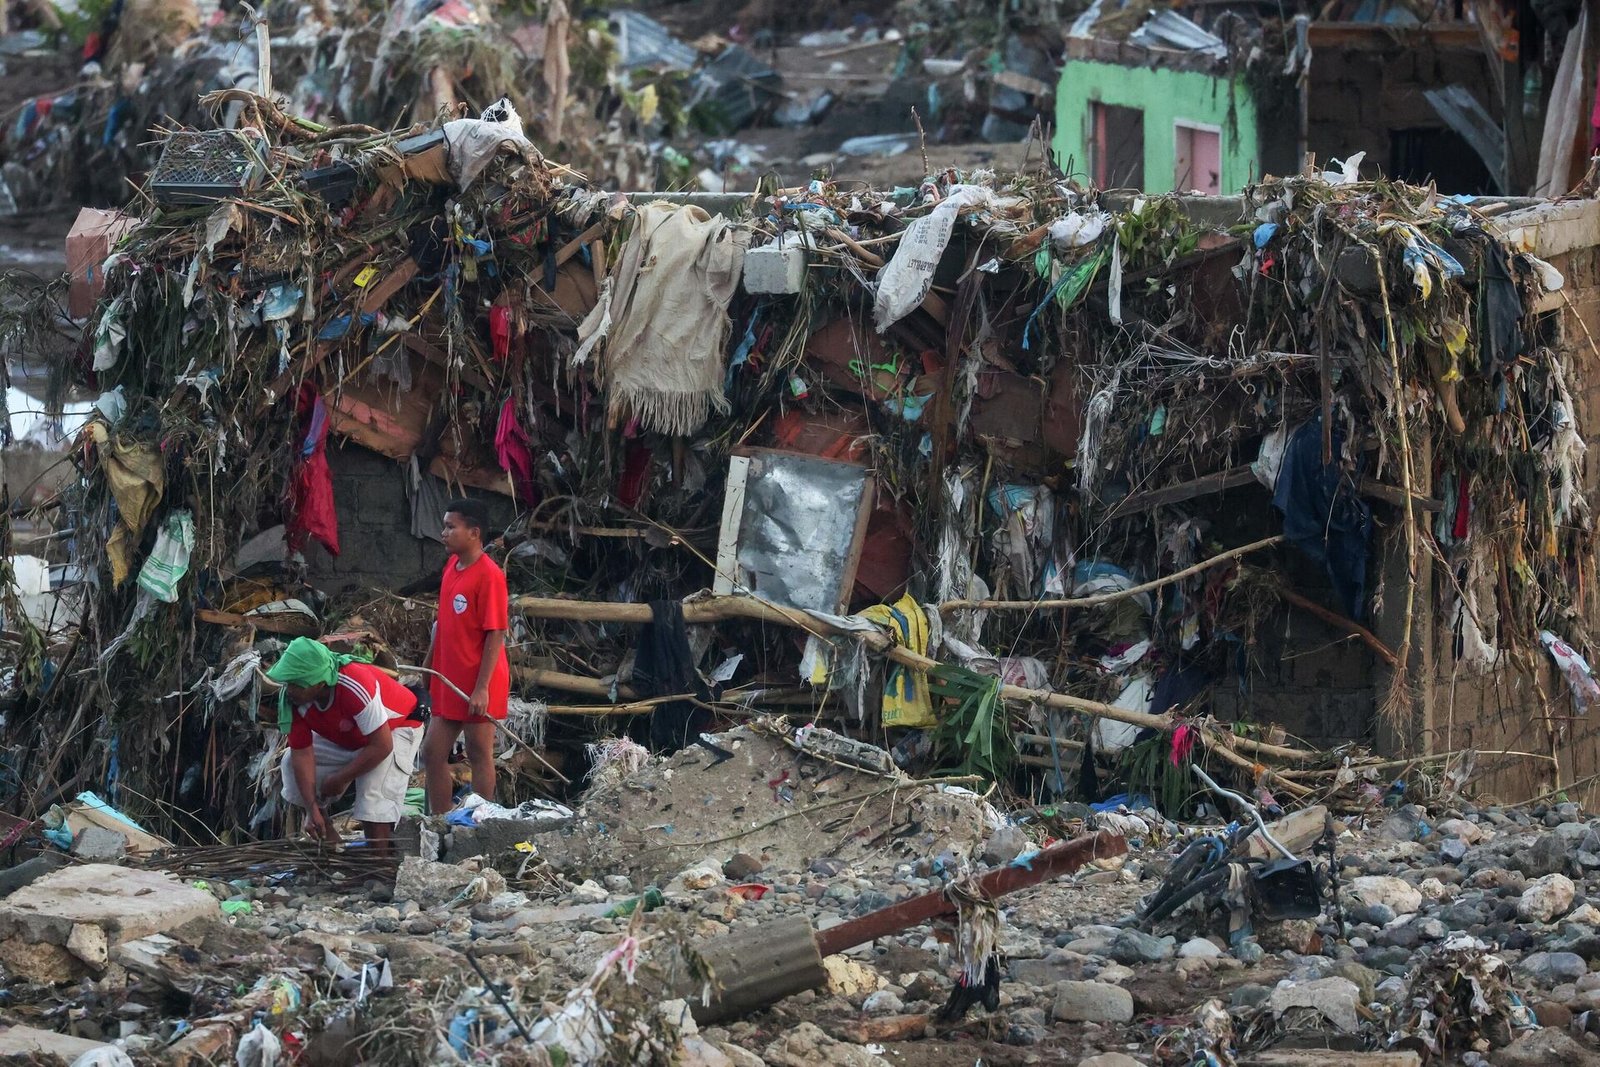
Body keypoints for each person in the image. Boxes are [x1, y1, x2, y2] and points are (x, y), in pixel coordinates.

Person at [267, 637, 423, 850]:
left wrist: (342, 777)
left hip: (395, 728)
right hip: (349, 736)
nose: (289, 689)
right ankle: (329, 837)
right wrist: (312, 807)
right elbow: (301, 752)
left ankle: (379, 861)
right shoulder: (294, 700)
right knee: (288, 764)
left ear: (319, 682)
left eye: (296, 684)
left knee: (373, 794)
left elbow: (382, 745)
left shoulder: (353, 684)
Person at [421, 497, 510, 814]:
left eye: (450, 527)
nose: (444, 533)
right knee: (432, 752)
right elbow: (442, 622)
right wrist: (429, 664)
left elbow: (495, 633)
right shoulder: (451, 567)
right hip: (448, 678)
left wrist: (482, 687)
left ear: (474, 532)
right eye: (444, 526)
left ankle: (482, 819)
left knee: (478, 752)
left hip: (478, 680)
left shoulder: (490, 575)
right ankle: (441, 817)